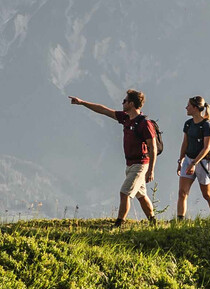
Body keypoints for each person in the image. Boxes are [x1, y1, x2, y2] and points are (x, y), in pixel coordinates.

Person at [68, 90, 159, 226]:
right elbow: (104, 110)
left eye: (125, 101)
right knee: (141, 195)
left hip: (140, 164)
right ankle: (153, 222)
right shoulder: (126, 118)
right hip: (130, 164)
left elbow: (153, 147)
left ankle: (119, 224)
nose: (122, 103)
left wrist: (151, 170)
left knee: (124, 193)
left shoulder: (144, 123)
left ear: (132, 104)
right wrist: (82, 103)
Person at [176, 96, 210, 220]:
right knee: (182, 193)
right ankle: (180, 220)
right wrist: (181, 161)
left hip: (203, 162)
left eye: (189, 106)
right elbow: (185, 143)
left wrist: (194, 163)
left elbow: (206, 147)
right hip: (189, 159)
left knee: (207, 194)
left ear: (195, 108)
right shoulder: (188, 124)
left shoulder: (207, 125)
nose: (186, 108)